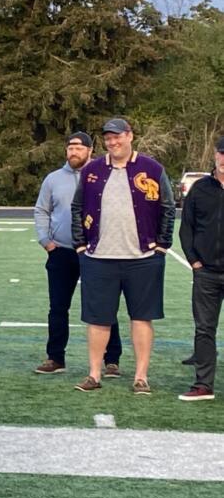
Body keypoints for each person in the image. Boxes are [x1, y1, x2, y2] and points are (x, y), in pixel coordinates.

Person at [71, 118, 175, 395]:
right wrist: (81, 245)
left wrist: (162, 244)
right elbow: (77, 207)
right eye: (108, 138)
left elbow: (167, 206)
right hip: (98, 257)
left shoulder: (152, 169)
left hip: (142, 258)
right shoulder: (92, 170)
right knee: (98, 319)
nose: (113, 142)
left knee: (141, 317)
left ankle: (141, 376)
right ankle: (94, 373)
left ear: (130, 136)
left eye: (118, 136)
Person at [32, 132, 123, 376]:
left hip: (97, 252)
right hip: (62, 251)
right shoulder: (53, 179)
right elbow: (41, 209)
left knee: (103, 307)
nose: (73, 152)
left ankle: (111, 359)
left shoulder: (103, 175)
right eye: (70, 148)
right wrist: (46, 240)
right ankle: (55, 358)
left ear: (90, 150)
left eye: (79, 148)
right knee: (58, 307)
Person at [176, 135, 224, 401]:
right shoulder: (200, 189)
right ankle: (203, 384)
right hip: (206, 271)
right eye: (222, 153)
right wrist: (194, 261)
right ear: (216, 155)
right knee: (204, 329)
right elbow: (187, 229)